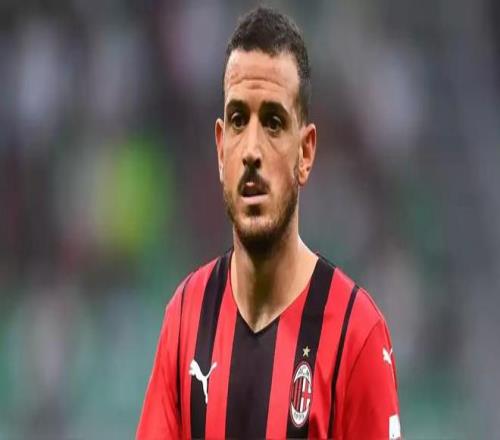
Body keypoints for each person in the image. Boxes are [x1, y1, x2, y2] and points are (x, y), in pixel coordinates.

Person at [137, 6, 401, 439]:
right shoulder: (186, 318)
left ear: (306, 152)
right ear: (220, 148)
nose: (252, 150)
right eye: (238, 120)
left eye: (274, 123)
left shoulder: (356, 334)